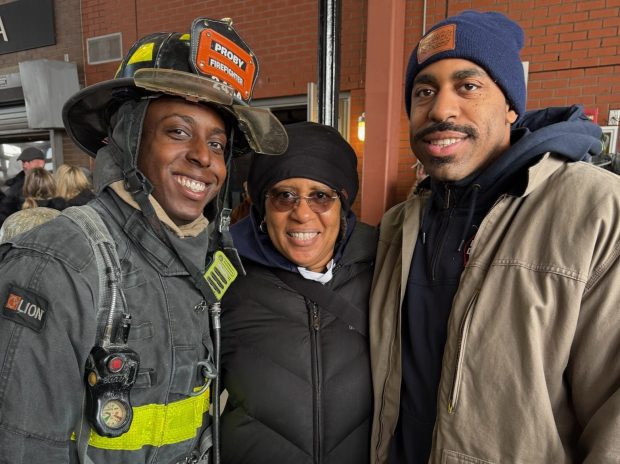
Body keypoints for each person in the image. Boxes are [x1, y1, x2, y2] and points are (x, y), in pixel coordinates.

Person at [0, 17, 286, 464]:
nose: (202, 158)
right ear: (128, 139)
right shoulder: (60, 265)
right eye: (177, 131)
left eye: (217, 143)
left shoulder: (204, 259)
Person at [369, 10, 620, 464]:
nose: (442, 109)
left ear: (510, 105)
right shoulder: (399, 225)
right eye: (424, 91)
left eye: (468, 86)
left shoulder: (597, 211)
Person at [220, 121, 377, 464]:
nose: (302, 213)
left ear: (343, 204)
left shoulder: (385, 272)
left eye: (320, 196)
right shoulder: (227, 281)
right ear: (262, 205)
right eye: (284, 195)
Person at [0, 146, 46, 224]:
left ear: (41, 163)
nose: (24, 165)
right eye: (23, 162)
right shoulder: (13, 188)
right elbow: (4, 215)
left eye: (28, 162)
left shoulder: (53, 184)